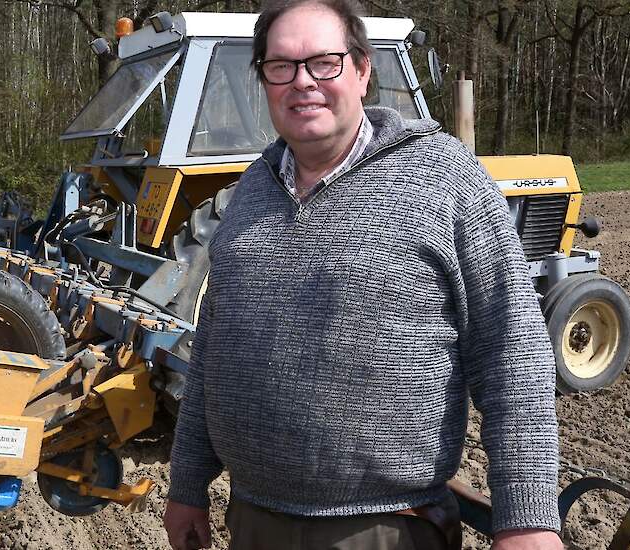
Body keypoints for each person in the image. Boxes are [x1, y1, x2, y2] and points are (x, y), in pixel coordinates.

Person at [163, 1, 563, 549]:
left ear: (362, 70)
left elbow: (512, 350)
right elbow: (212, 346)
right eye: (281, 66)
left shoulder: (443, 179)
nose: (302, 82)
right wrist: (186, 482)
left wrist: (528, 521)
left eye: (323, 62)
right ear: (263, 80)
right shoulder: (252, 190)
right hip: (253, 522)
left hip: (387, 528)